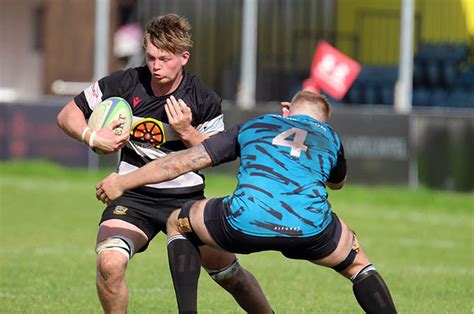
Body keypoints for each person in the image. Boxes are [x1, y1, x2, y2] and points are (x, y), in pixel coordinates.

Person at [96, 90, 398, 313]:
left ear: (286, 110)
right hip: (311, 228)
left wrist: (122, 181)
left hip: (245, 220)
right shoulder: (331, 138)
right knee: (360, 265)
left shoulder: (257, 125)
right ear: (324, 121)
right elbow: (337, 182)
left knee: (178, 220)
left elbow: (184, 162)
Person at [57, 13, 272, 314]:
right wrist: (91, 137)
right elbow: (68, 114)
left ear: (184, 57)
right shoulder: (125, 82)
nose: (156, 66)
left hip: (185, 199)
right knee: (110, 263)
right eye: (151, 57)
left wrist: (186, 131)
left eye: (165, 59)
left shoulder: (203, 98)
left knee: (230, 275)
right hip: (133, 196)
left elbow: (214, 153)